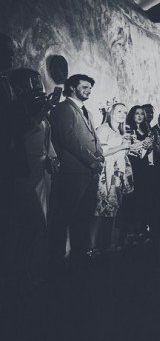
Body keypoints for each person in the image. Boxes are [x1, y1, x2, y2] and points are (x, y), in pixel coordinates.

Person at [48, 74, 104, 267]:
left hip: (89, 173)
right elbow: (68, 139)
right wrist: (92, 161)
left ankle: (81, 252)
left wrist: (100, 156)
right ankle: (56, 258)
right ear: (72, 87)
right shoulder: (62, 109)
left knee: (84, 215)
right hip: (72, 173)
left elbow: (95, 139)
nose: (89, 90)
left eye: (90, 88)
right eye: (85, 87)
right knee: (63, 215)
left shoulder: (88, 111)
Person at [7, 68, 58, 281]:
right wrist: (41, 110)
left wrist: (52, 157)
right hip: (22, 172)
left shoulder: (37, 110)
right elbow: (16, 136)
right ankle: (18, 267)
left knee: (40, 222)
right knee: (29, 222)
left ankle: (32, 263)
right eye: (32, 82)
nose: (37, 85)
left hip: (40, 173)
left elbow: (45, 137)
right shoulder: (14, 110)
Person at [91, 101, 132, 254]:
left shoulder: (119, 131)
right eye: (119, 111)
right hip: (105, 173)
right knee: (100, 208)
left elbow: (120, 153)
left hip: (117, 174)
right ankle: (92, 246)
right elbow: (100, 152)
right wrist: (122, 146)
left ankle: (106, 244)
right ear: (111, 112)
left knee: (112, 209)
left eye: (124, 112)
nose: (122, 114)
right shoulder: (103, 129)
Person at [119, 105, 154, 244]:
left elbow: (151, 149)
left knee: (143, 197)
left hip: (144, 166)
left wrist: (150, 146)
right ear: (132, 115)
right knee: (131, 198)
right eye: (137, 113)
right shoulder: (128, 128)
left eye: (142, 114)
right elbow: (127, 146)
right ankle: (129, 232)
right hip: (133, 165)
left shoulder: (147, 129)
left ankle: (140, 230)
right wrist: (139, 145)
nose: (139, 116)